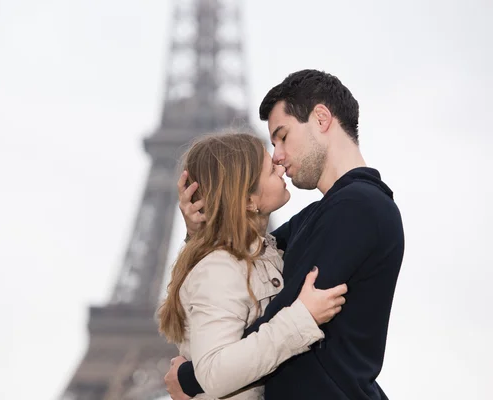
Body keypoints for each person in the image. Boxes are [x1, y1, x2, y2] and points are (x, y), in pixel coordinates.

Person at [165, 69, 405, 400]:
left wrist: (192, 377)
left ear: (321, 119)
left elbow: (285, 313)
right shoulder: (323, 215)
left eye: (282, 136)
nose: (277, 156)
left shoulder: (359, 206)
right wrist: (201, 232)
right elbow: (245, 258)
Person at [157, 133, 348, 400]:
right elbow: (214, 373)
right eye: (271, 169)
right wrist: (302, 318)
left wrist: (199, 236)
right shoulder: (219, 269)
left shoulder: (265, 253)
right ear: (248, 200)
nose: (280, 167)